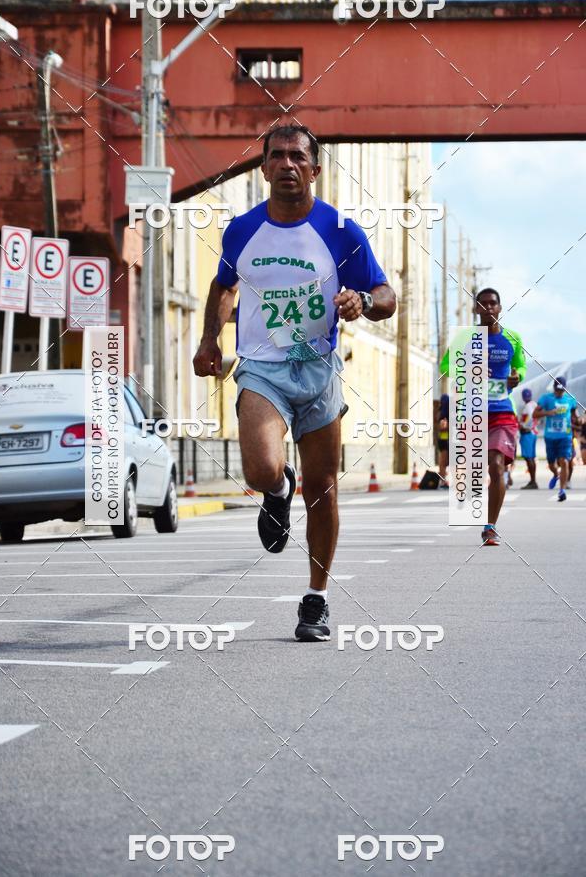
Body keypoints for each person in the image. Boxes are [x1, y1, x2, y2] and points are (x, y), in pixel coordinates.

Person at [193, 124, 396, 641]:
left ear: (315, 168)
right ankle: (276, 489)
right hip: (263, 366)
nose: (287, 164)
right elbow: (223, 285)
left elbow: (385, 295)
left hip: (319, 369)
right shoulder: (241, 230)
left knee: (323, 491)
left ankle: (317, 599)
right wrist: (210, 340)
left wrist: (363, 303)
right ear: (262, 168)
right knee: (263, 468)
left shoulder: (341, 229)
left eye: (298, 157)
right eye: (277, 156)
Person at [440, 288, 526, 546]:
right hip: (472, 411)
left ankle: (490, 527)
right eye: (483, 304)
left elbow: (521, 365)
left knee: (497, 464)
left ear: (500, 308)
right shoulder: (465, 338)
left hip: (502, 410)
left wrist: (517, 376)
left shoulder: (513, 338)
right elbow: (446, 367)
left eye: (493, 303)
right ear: (476, 309)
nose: (488, 308)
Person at [534, 376, 576, 502]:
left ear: (565, 389)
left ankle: (562, 490)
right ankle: (556, 474)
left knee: (564, 461)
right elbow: (534, 414)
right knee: (551, 463)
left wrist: (579, 420)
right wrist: (548, 413)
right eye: (557, 390)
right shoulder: (545, 399)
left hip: (565, 436)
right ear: (554, 388)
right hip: (550, 437)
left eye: (561, 390)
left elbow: (575, 417)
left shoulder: (570, 400)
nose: (559, 393)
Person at [518, 387, 538, 489]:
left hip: (527, 433)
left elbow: (530, 417)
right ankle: (533, 480)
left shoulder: (527, 406)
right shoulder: (534, 404)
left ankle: (533, 481)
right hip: (533, 433)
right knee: (531, 458)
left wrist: (525, 427)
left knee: (528, 458)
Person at [437, 393, 449, 487]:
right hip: (445, 436)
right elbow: (443, 425)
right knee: (444, 458)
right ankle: (443, 480)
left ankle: (443, 480)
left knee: (443, 459)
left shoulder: (441, 410)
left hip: (445, 436)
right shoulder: (447, 403)